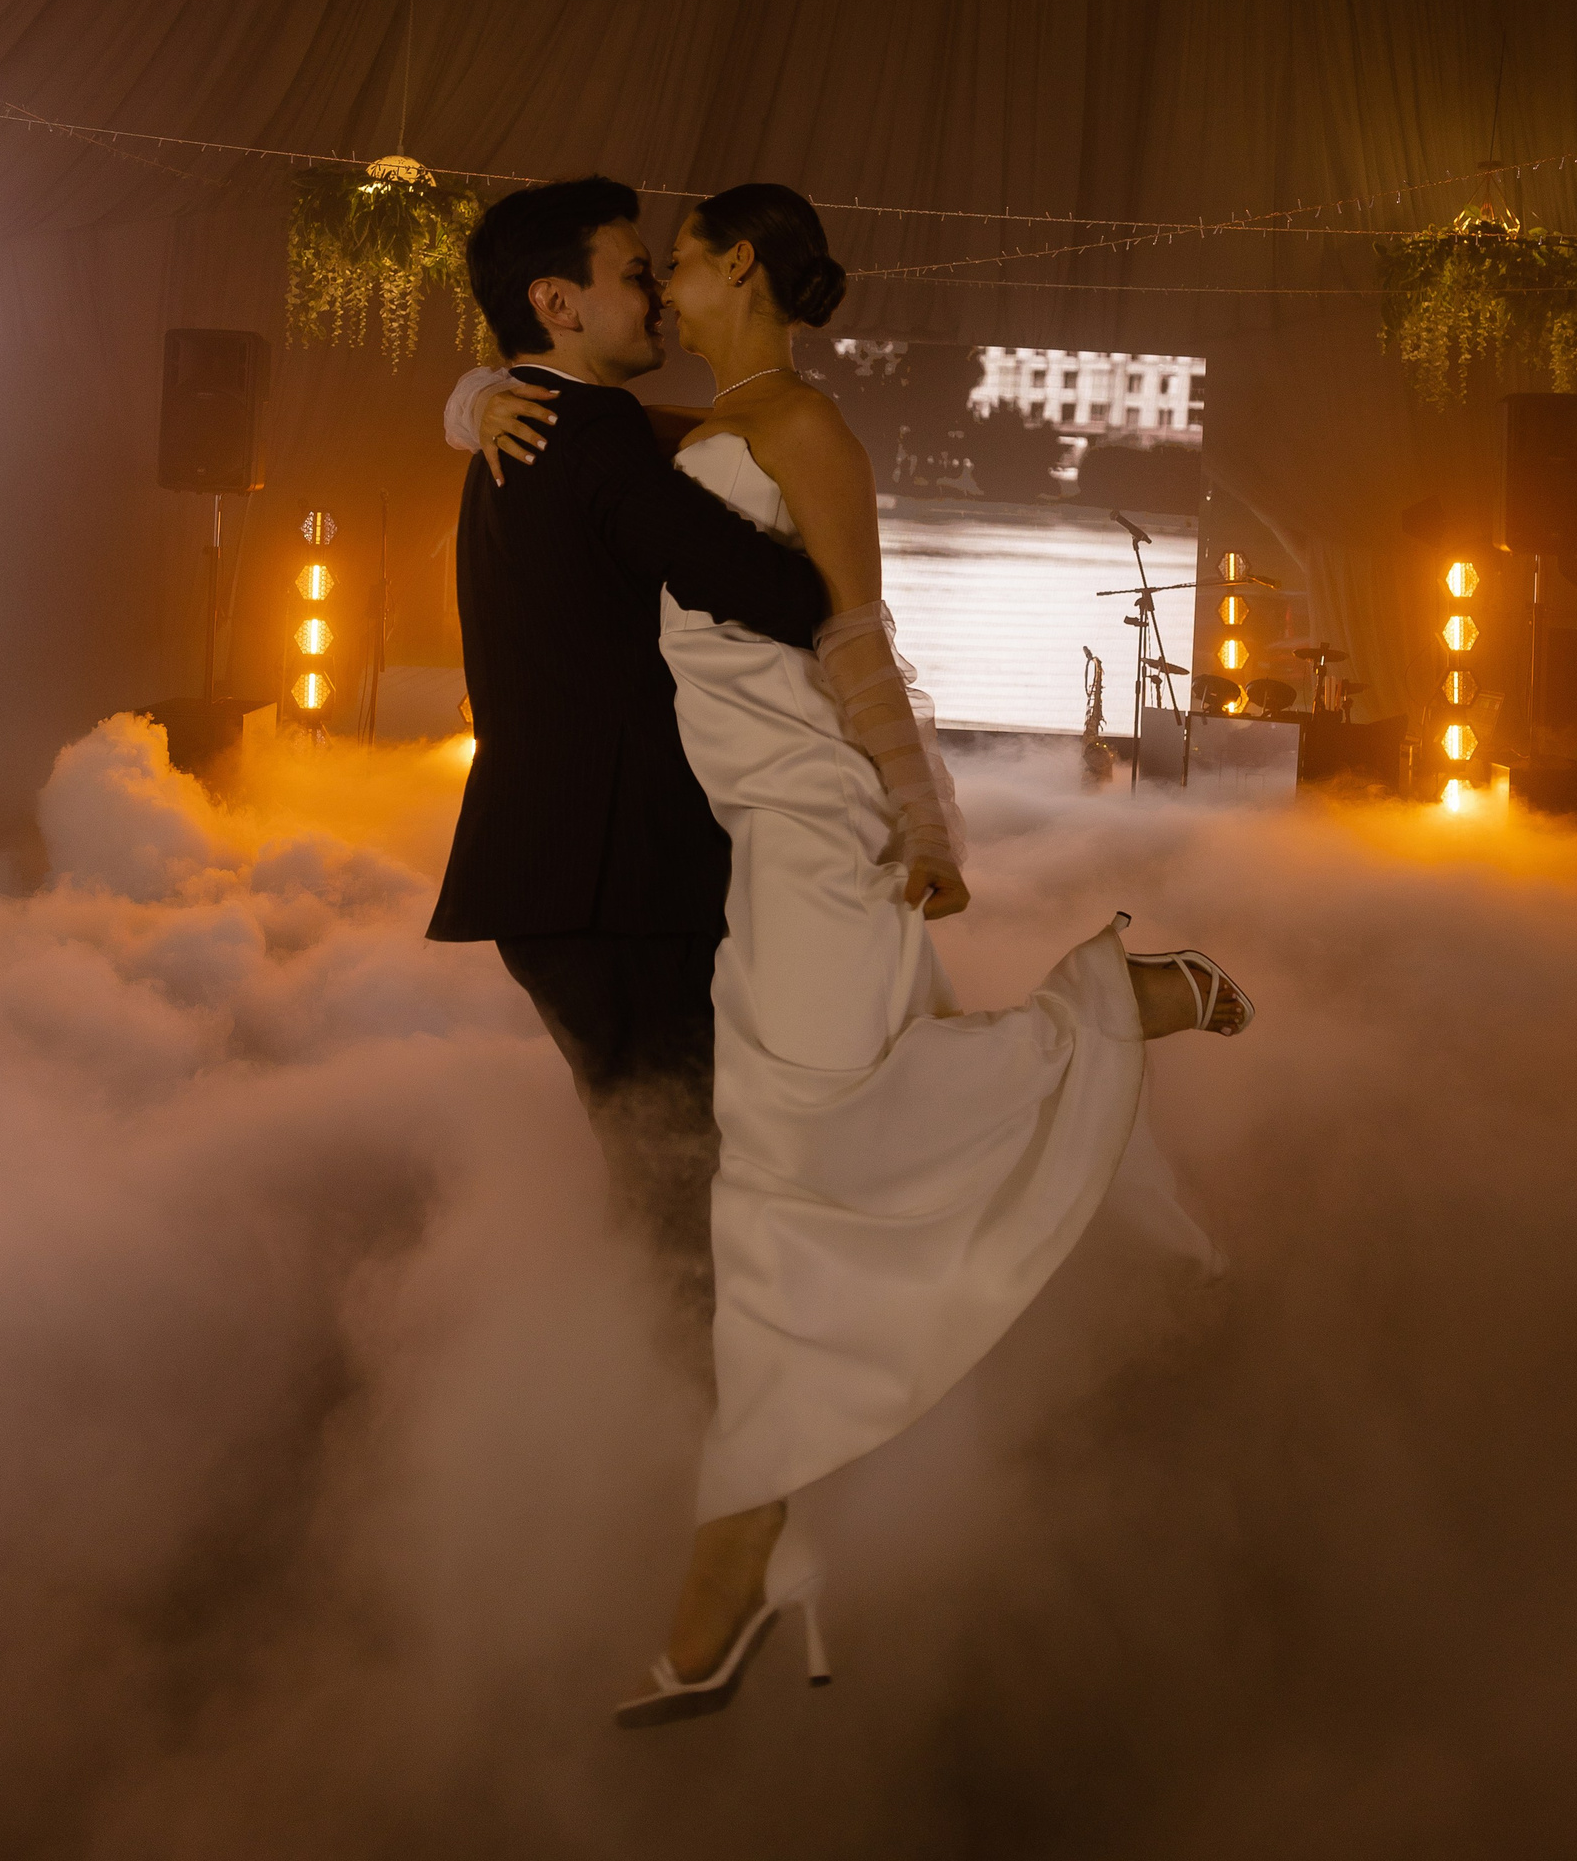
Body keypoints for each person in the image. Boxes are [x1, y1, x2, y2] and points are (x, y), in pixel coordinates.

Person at [453, 185, 1253, 1727]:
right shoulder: (670, 429)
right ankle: (744, 1548)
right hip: (726, 840)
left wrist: (921, 816)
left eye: (675, 263)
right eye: (638, 271)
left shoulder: (795, 429)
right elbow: (576, 440)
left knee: (798, 1164)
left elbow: (854, 635)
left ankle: (735, 1565)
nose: (659, 289)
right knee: (794, 1160)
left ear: (739, 266)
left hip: (806, 829)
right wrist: (475, 393)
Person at [427, 176, 830, 1360]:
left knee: (657, 1162)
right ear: (558, 303)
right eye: (633, 273)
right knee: (686, 1176)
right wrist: (820, 493)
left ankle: (643, 1404)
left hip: (551, 877)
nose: (654, 295)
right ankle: (692, 1415)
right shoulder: (588, 437)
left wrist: (470, 396)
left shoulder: (531, 427)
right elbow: (782, 593)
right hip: (617, 879)